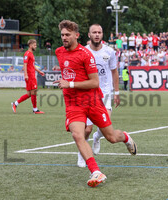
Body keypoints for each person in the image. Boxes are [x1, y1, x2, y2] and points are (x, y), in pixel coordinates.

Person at [53, 20, 137, 188]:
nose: (64, 38)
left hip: (93, 101)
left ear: (76, 35)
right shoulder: (59, 52)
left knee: (111, 137)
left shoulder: (85, 54)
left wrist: (69, 84)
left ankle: (126, 137)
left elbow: (94, 82)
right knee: (78, 134)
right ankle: (96, 171)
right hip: (73, 103)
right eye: (62, 35)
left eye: (67, 35)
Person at [76, 24, 121, 168]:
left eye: (99, 32)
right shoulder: (82, 51)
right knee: (87, 129)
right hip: (88, 94)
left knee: (104, 125)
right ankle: (82, 154)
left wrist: (117, 92)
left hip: (105, 93)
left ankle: (97, 137)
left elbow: (114, 72)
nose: (96, 34)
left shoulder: (110, 51)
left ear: (102, 34)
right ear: (88, 35)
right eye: (94, 32)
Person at [11, 39, 45, 114]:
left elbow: (32, 65)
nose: (36, 46)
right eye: (34, 45)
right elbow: (25, 65)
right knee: (34, 92)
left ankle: (15, 103)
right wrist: (26, 74)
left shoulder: (31, 54)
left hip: (32, 75)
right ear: (30, 45)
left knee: (30, 94)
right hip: (30, 76)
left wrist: (39, 71)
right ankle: (35, 110)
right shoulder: (27, 54)